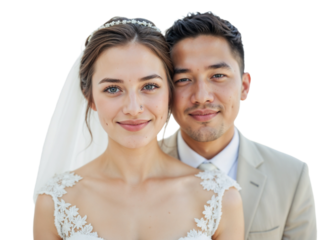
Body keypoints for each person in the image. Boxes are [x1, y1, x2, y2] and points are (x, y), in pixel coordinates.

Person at [31, 15, 245, 240]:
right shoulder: (55, 202)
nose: (133, 108)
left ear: (169, 92)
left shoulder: (220, 199)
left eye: (150, 86)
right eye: (113, 89)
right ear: (90, 97)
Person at [158, 10, 318, 240]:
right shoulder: (135, 169)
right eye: (183, 79)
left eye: (218, 76)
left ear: (245, 86)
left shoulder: (292, 177)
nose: (202, 96)